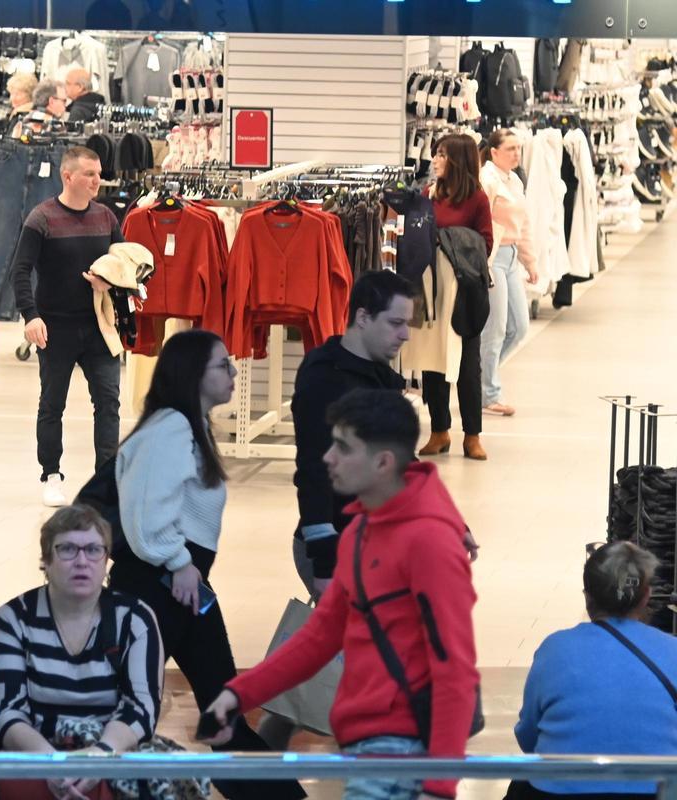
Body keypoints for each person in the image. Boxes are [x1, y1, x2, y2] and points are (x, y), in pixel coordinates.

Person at [204, 389, 479, 800]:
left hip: (405, 753)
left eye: (343, 447)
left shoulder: (430, 543)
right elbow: (319, 638)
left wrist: (438, 785)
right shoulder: (361, 533)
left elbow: (455, 669)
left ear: (382, 462)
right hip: (369, 747)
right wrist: (239, 694)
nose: (328, 457)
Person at [110, 329, 303, 800]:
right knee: (135, 714)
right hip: (160, 586)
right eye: (223, 365)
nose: (235, 372)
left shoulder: (184, 426)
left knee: (223, 709)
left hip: (180, 587)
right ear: (193, 374)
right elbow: (144, 515)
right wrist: (177, 561)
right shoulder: (171, 429)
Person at [0, 504, 164, 800]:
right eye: (67, 549)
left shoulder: (135, 618)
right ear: (46, 559)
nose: (82, 561)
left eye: (94, 550)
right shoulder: (11, 619)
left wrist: (98, 758)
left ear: (106, 559)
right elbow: (5, 711)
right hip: (34, 755)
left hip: (110, 753)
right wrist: (52, 765)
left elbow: (142, 708)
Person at [509, 541, 677, 800]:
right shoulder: (672, 650)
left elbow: (528, 737)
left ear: (588, 596)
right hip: (657, 790)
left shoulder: (555, 649)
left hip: (560, 791)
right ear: (646, 595)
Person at [12, 145, 123, 507]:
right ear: (68, 176)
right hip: (55, 329)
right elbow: (20, 270)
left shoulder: (106, 217)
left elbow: (124, 265)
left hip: (98, 328)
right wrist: (31, 316)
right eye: (90, 174)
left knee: (108, 402)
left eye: (99, 173)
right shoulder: (41, 218)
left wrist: (112, 284)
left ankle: (106, 479)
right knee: (52, 404)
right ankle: (52, 475)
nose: (97, 181)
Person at [292, 271, 413, 600]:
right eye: (395, 323)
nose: (405, 335)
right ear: (363, 317)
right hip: (336, 547)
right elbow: (314, 471)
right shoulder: (324, 380)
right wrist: (325, 565)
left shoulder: (381, 377)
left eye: (407, 324)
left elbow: (401, 461)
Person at [419, 133, 495, 461]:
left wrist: (451, 246)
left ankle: (472, 436)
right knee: (433, 361)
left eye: (441, 155)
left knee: (468, 367)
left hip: (465, 294)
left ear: (458, 161)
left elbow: (486, 243)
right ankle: (439, 430)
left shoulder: (477, 199)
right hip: (433, 290)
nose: (435, 160)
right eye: (435, 154)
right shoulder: (428, 195)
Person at [480, 129, 539, 418]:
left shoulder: (514, 180)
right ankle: (489, 393)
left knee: (520, 327)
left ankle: (481, 379)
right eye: (510, 148)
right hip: (493, 258)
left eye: (519, 148)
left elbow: (524, 223)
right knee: (496, 329)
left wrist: (531, 262)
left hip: (512, 257)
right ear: (494, 152)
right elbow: (479, 222)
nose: (517, 153)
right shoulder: (486, 180)